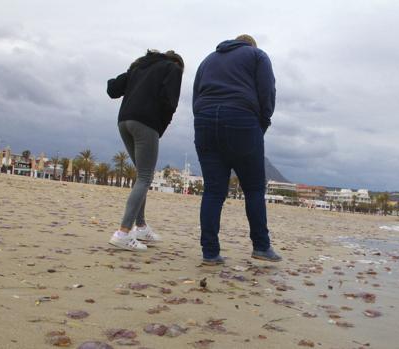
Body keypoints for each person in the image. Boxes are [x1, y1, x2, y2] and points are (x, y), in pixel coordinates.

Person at [193, 34, 281, 264]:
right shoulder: (257, 55)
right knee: (252, 190)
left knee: (213, 191)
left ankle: (210, 252)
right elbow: (267, 92)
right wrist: (262, 123)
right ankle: (261, 246)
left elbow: (196, 97)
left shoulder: (207, 60)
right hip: (241, 119)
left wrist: (204, 121)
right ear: (250, 44)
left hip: (205, 120)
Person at [106, 49, 184, 251]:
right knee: (145, 177)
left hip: (124, 121)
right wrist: (159, 128)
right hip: (146, 123)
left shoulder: (140, 66)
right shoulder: (172, 68)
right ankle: (123, 232)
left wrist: (131, 71)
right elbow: (170, 103)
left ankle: (140, 227)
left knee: (142, 175)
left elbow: (113, 89)